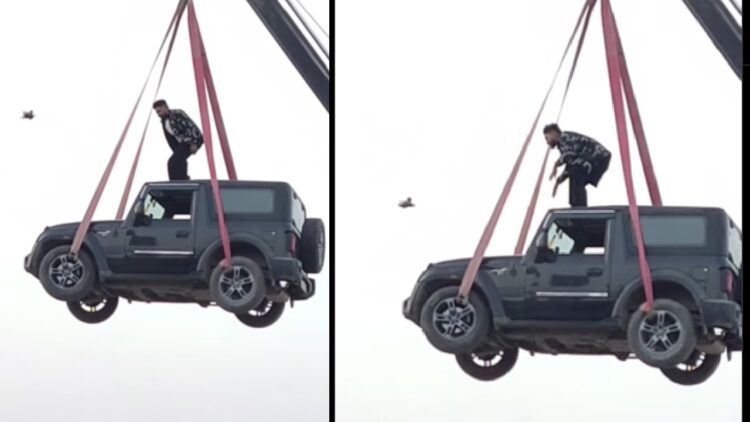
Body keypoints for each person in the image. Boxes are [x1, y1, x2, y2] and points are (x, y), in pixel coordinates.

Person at [543, 123, 611, 207]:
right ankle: (575, 204)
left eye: (547, 138)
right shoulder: (563, 144)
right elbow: (570, 164)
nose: (547, 142)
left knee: (576, 174)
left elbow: (570, 154)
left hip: (598, 157)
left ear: (553, 133)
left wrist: (556, 165)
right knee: (575, 173)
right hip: (597, 159)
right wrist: (559, 180)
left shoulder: (564, 137)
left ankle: (578, 206)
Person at [152, 99, 204, 181]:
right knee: (177, 161)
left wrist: (193, 143)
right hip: (181, 144)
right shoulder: (164, 122)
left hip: (191, 139)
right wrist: (176, 151)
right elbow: (171, 139)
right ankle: (179, 181)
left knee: (173, 162)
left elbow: (190, 126)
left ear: (165, 107)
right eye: (157, 112)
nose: (158, 114)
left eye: (159, 111)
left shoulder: (177, 113)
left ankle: (181, 181)